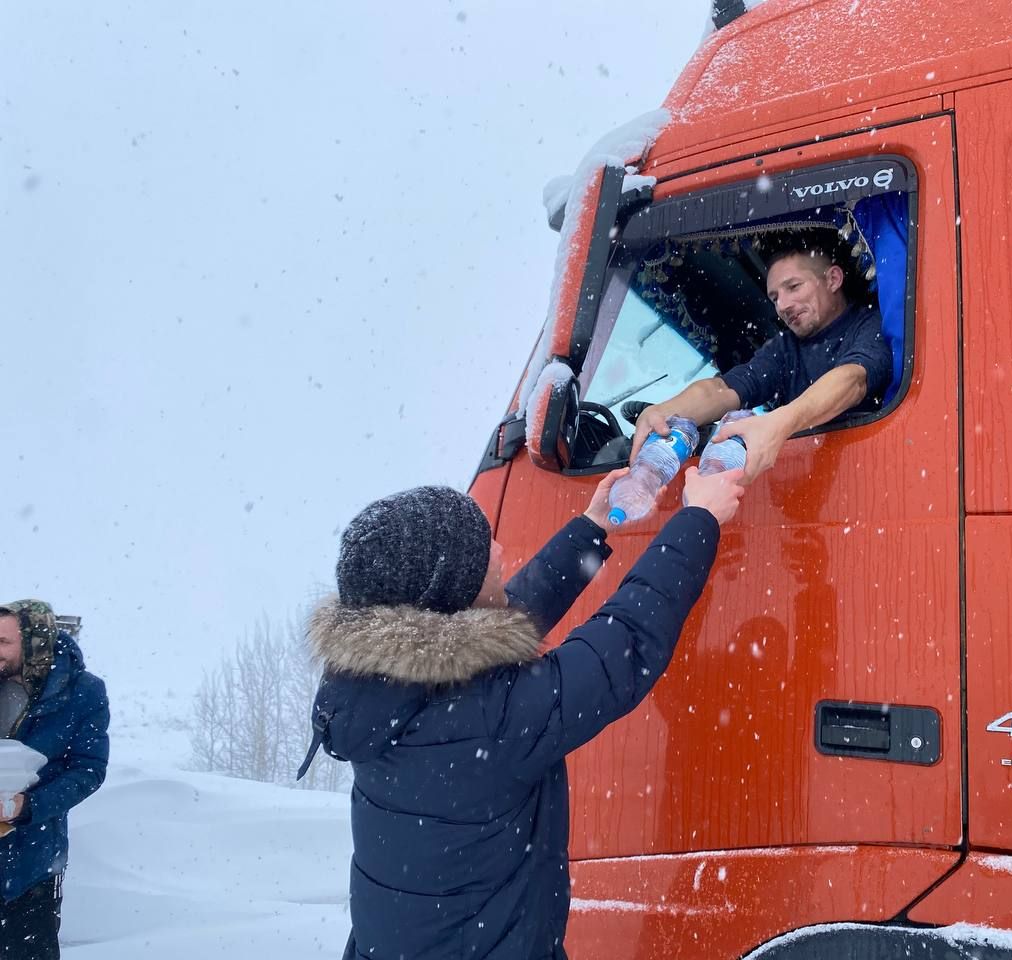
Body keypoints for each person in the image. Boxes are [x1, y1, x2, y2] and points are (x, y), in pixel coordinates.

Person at [297, 465, 745, 960]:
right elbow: (625, 642)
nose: (499, 552)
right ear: (453, 597)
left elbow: (505, 619)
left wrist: (592, 529)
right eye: (484, 551)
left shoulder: (380, 691)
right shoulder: (491, 720)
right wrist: (699, 518)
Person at [629, 232, 893, 480]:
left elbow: (853, 379)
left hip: (871, 470)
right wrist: (663, 412)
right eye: (775, 297)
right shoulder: (784, 348)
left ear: (833, 279)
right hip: (809, 478)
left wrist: (780, 422)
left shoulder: (873, 323)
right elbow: (724, 389)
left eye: (794, 287)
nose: (783, 306)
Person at [0, 600, 110, 960]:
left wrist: (27, 806)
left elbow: (87, 770)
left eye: (4, 642)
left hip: (31, 863)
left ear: (34, 643)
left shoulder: (82, 693)